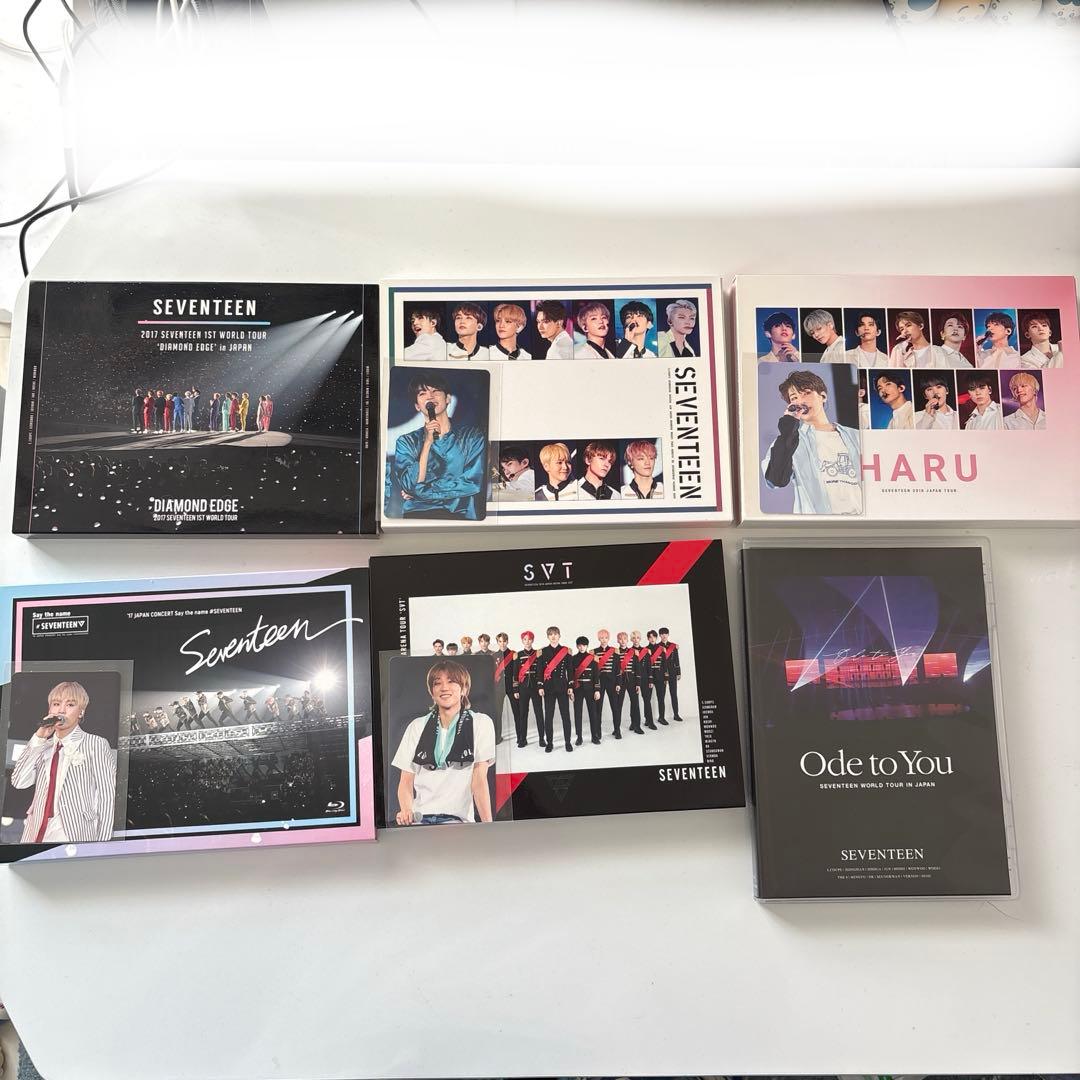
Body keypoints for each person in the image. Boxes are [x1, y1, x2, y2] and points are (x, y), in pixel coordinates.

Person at [11, 680, 117, 843]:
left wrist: (102, 844)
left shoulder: (95, 744)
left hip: (75, 831)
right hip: (36, 831)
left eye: (70, 705)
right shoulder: (42, 746)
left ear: (81, 712)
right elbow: (19, 781)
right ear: (50, 710)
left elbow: (106, 797)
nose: (61, 710)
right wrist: (38, 738)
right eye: (56, 704)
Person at [391, 661, 495, 825]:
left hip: (457, 821)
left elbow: (479, 779)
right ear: (432, 692)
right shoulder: (417, 726)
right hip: (420, 820)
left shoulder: (481, 723)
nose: (444, 688)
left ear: (464, 689)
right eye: (437, 683)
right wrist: (406, 810)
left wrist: (488, 827)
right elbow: (406, 781)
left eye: (451, 681)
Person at [762, 370, 862, 515]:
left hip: (861, 521)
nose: (800, 401)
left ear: (823, 396)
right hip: (819, 525)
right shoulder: (789, 440)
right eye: (794, 397)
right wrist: (788, 427)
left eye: (806, 393)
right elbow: (776, 480)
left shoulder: (856, 436)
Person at [393, 373, 486, 519]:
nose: (430, 397)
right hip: (417, 514)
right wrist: (427, 443)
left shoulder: (472, 437)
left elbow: (472, 482)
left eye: (435, 391)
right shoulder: (406, 441)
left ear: (448, 399)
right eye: (422, 393)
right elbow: (409, 484)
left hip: (460, 515)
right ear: (417, 406)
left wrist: (421, 491)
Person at [538, 626, 574, 753]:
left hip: (563, 687)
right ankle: (550, 743)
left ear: (559, 636)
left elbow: (570, 670)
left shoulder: (566, 651)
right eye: (551, 634)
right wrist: (540, 686)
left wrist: (570, 686)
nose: (553, 636)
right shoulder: (542, 652)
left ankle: (568, 742)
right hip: (548, 688)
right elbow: (540, 671)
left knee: (566, 716)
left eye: (555, 634)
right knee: (548, 717)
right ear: (548, 637)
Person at [512, 631, 544, 747]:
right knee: (523, 714)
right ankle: (523, 739)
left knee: (539, 713)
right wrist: (515, 690)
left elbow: (540, 672)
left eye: (529, 639)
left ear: (532, 640)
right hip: (522, 688)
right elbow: (515, 673)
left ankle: (542, 739)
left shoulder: (538, 654)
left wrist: (540, 686)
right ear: (522, 641)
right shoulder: (518, 655)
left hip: (535, 688)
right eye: (525, 639)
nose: (527, 642)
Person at [571, 636, 601, 745]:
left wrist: (597, 690)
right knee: (577, 714)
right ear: (577, 646)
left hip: (590, 689)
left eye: (584, 645)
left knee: (593, 713)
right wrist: (571, 690)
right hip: (577, 689)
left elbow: (596, 675)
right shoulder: (573, 659)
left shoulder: (592, 658)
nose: (582, 647)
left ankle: (594, 736)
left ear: (587, 646)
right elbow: (571, 675)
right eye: (579, 645)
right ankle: (579, 737)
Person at [593, 629, 621, 739]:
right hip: (599, 682)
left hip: (612, 682)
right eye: (601, 638)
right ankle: (598, 732)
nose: (603, 640)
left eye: (605, 637)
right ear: (598, 639)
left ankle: (617, 730)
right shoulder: (594, 652)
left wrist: (618, 683)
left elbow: (618, 669)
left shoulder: (615, 651)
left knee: (615, 707)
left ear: (608, 638)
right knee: (598, 707)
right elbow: (594, 670)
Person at [616, 631, 644, 735]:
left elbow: (638, 669)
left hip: (632, 681)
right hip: (620, 681)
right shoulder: (615, 652)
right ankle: (617, 729)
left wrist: (638, 684)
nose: (622, 641)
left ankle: (637, 726)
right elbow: (615, 669)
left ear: (628, 640)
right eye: (620, 639)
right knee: (618, 705)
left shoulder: (633, 652)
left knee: (635, 703)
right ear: (618, 641)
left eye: (624, 639)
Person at [494, 633, 517, 745]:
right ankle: (498, 737)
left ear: (507, 641)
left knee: (517, 711)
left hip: (511, 686)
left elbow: (517, 671)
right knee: (498, 713)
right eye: (500, 641)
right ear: (497, 642)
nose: (502, 643)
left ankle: (520, 736)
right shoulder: (493, 656)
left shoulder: (513, 654)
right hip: (498, 688)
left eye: (504, 641)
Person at [631, 630, 656, 730]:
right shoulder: (629, 651)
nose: (636, 640)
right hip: (633, 679)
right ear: (631, 639)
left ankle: (649, 721)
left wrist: (650, 680)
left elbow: (649, 666)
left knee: (647, 700)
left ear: (640, 639)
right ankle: (633, 723)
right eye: (634, 638)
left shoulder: (646, 651)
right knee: (634, 702)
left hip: (645, 678)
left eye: (637, 638)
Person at [659, 627, 682, 722]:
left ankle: (676, 715)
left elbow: (676, 659)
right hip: (662, 673)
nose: (664, 636)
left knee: (674, 694)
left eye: (666, 634)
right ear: (660, 635)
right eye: (662, 634)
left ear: (668, 635)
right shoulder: (657, 647)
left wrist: (678, 672)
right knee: (661, 695)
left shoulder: (673, 646)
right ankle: (661, 717)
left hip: (672, 672)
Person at [646, 630, 669, 725]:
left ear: (656, 638)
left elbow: (665, 664)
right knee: (647, 699)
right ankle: (647, 719)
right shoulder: (645, 650)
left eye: (654, 637)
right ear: (648, 639)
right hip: (649, 677)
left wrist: (666, 678)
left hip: (660, 677)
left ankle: (661, 717)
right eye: (650, 637)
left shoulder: (661, 649)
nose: (652, 639)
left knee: (661, 698)